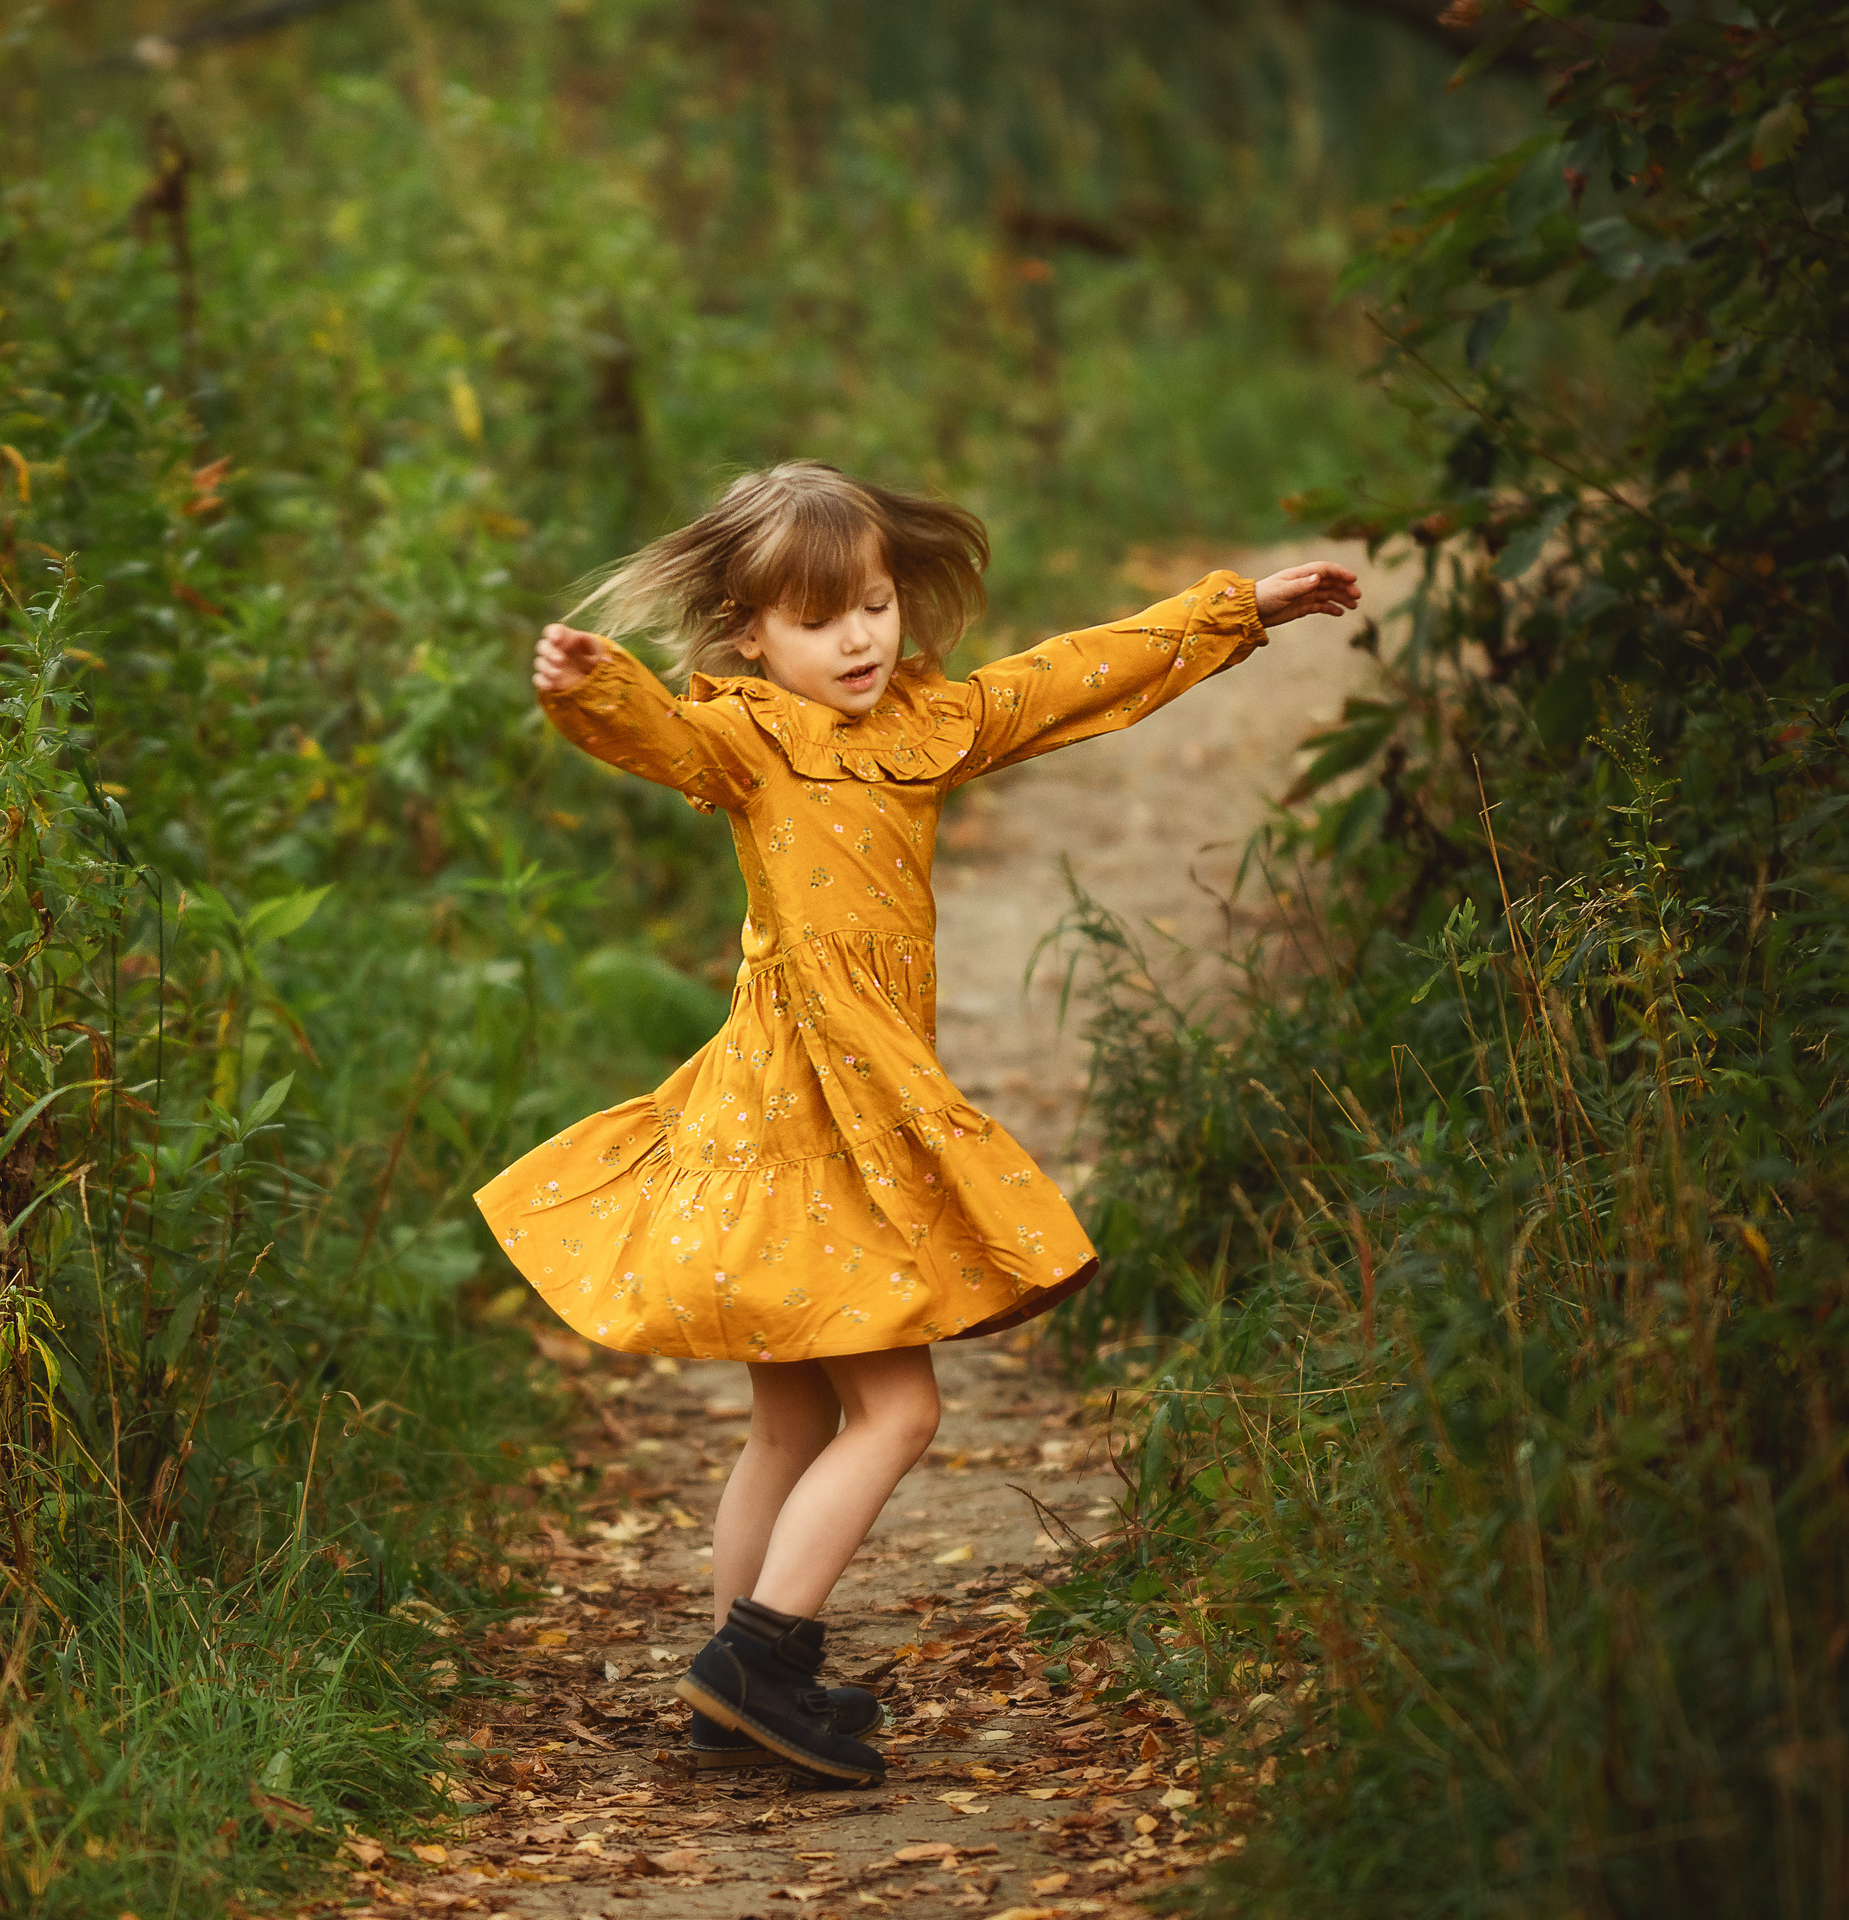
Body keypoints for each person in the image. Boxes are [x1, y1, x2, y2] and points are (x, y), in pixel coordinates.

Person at [475, 460, 1358, 1784]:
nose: (859, 638)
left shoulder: (929, 725)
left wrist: (1245, 611)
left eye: (876, 604)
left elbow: (1075, 675)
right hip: (807, 1112)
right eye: (822, 618)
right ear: (748, 635)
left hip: (820, 1116)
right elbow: (652, 731)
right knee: (898, 1414)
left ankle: (739, 1698)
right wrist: (587, 687)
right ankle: (759, 1658)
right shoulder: (749, 741)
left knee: (788, 1426)